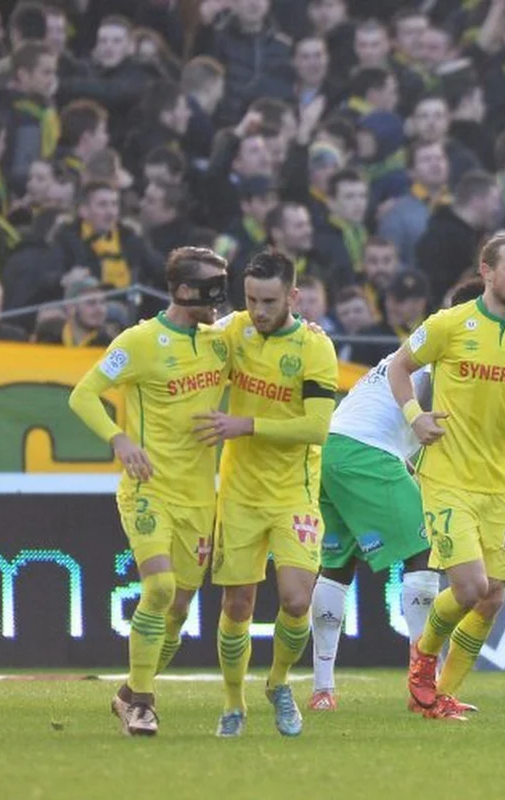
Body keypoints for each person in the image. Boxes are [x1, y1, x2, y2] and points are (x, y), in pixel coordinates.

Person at [387, 233, 505, 721]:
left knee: (493, 598)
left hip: (501, 481)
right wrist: (414, 416)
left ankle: (440, 695)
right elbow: (399, 368)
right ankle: (423, 661)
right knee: (469, 587)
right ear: (486, 272)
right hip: (448, 473)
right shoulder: (450, 324)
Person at [67, 247, 232, 737]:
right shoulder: (139, 341)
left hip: (201, 495)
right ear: (184, 292)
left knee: (178, 611)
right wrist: (119, 440)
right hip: (149, 489)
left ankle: (125, 694)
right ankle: (144, 703)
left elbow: (265, 336)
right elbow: (83, 394)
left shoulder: (222, 342)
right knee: (159, 590)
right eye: (213, 289)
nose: (221, 299)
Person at [308, 280, 486, 712]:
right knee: (423, 551)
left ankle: (322, 689)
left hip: (331, 447)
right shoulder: (447, 355)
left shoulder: (410, 352)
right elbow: (422, 411)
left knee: (338, 565)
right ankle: (423, 688)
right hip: (366, 452)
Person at [198, 249, 339, 738]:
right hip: (238, 492)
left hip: (294, 493)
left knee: (297, 600)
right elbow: (189, 345)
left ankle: (278, 684)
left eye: (269, 300)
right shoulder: (233, 332)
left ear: (293, 297)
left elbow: (318, 428)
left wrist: (246, 424)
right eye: (252, 299)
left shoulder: (315, 348)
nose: (258, 310)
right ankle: (233, 702)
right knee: (236, 605)